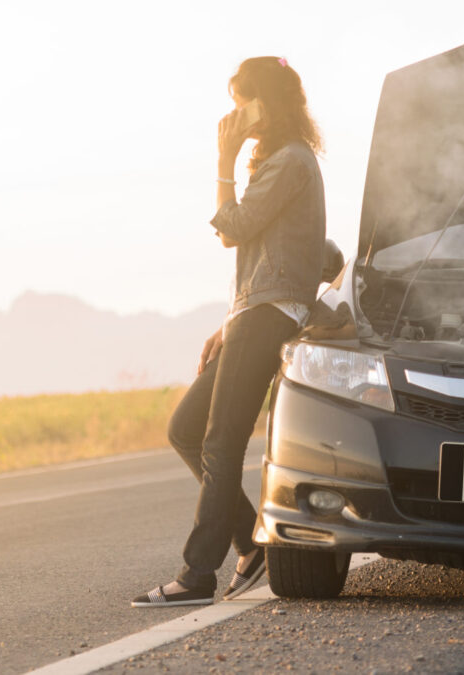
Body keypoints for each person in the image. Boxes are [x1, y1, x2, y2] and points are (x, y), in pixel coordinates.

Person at [131, 56, 326, 607]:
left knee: (220, 440)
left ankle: (197, 576)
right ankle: (251, 539)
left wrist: (223, 159)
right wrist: (231, 318)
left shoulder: (289, 160)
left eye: (243, 99)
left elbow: (233, 230)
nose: (235, 112)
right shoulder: (281, 162)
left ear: (267, 101)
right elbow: (274, 252)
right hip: (252, 314)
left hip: (268, 316)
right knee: (186, 428)